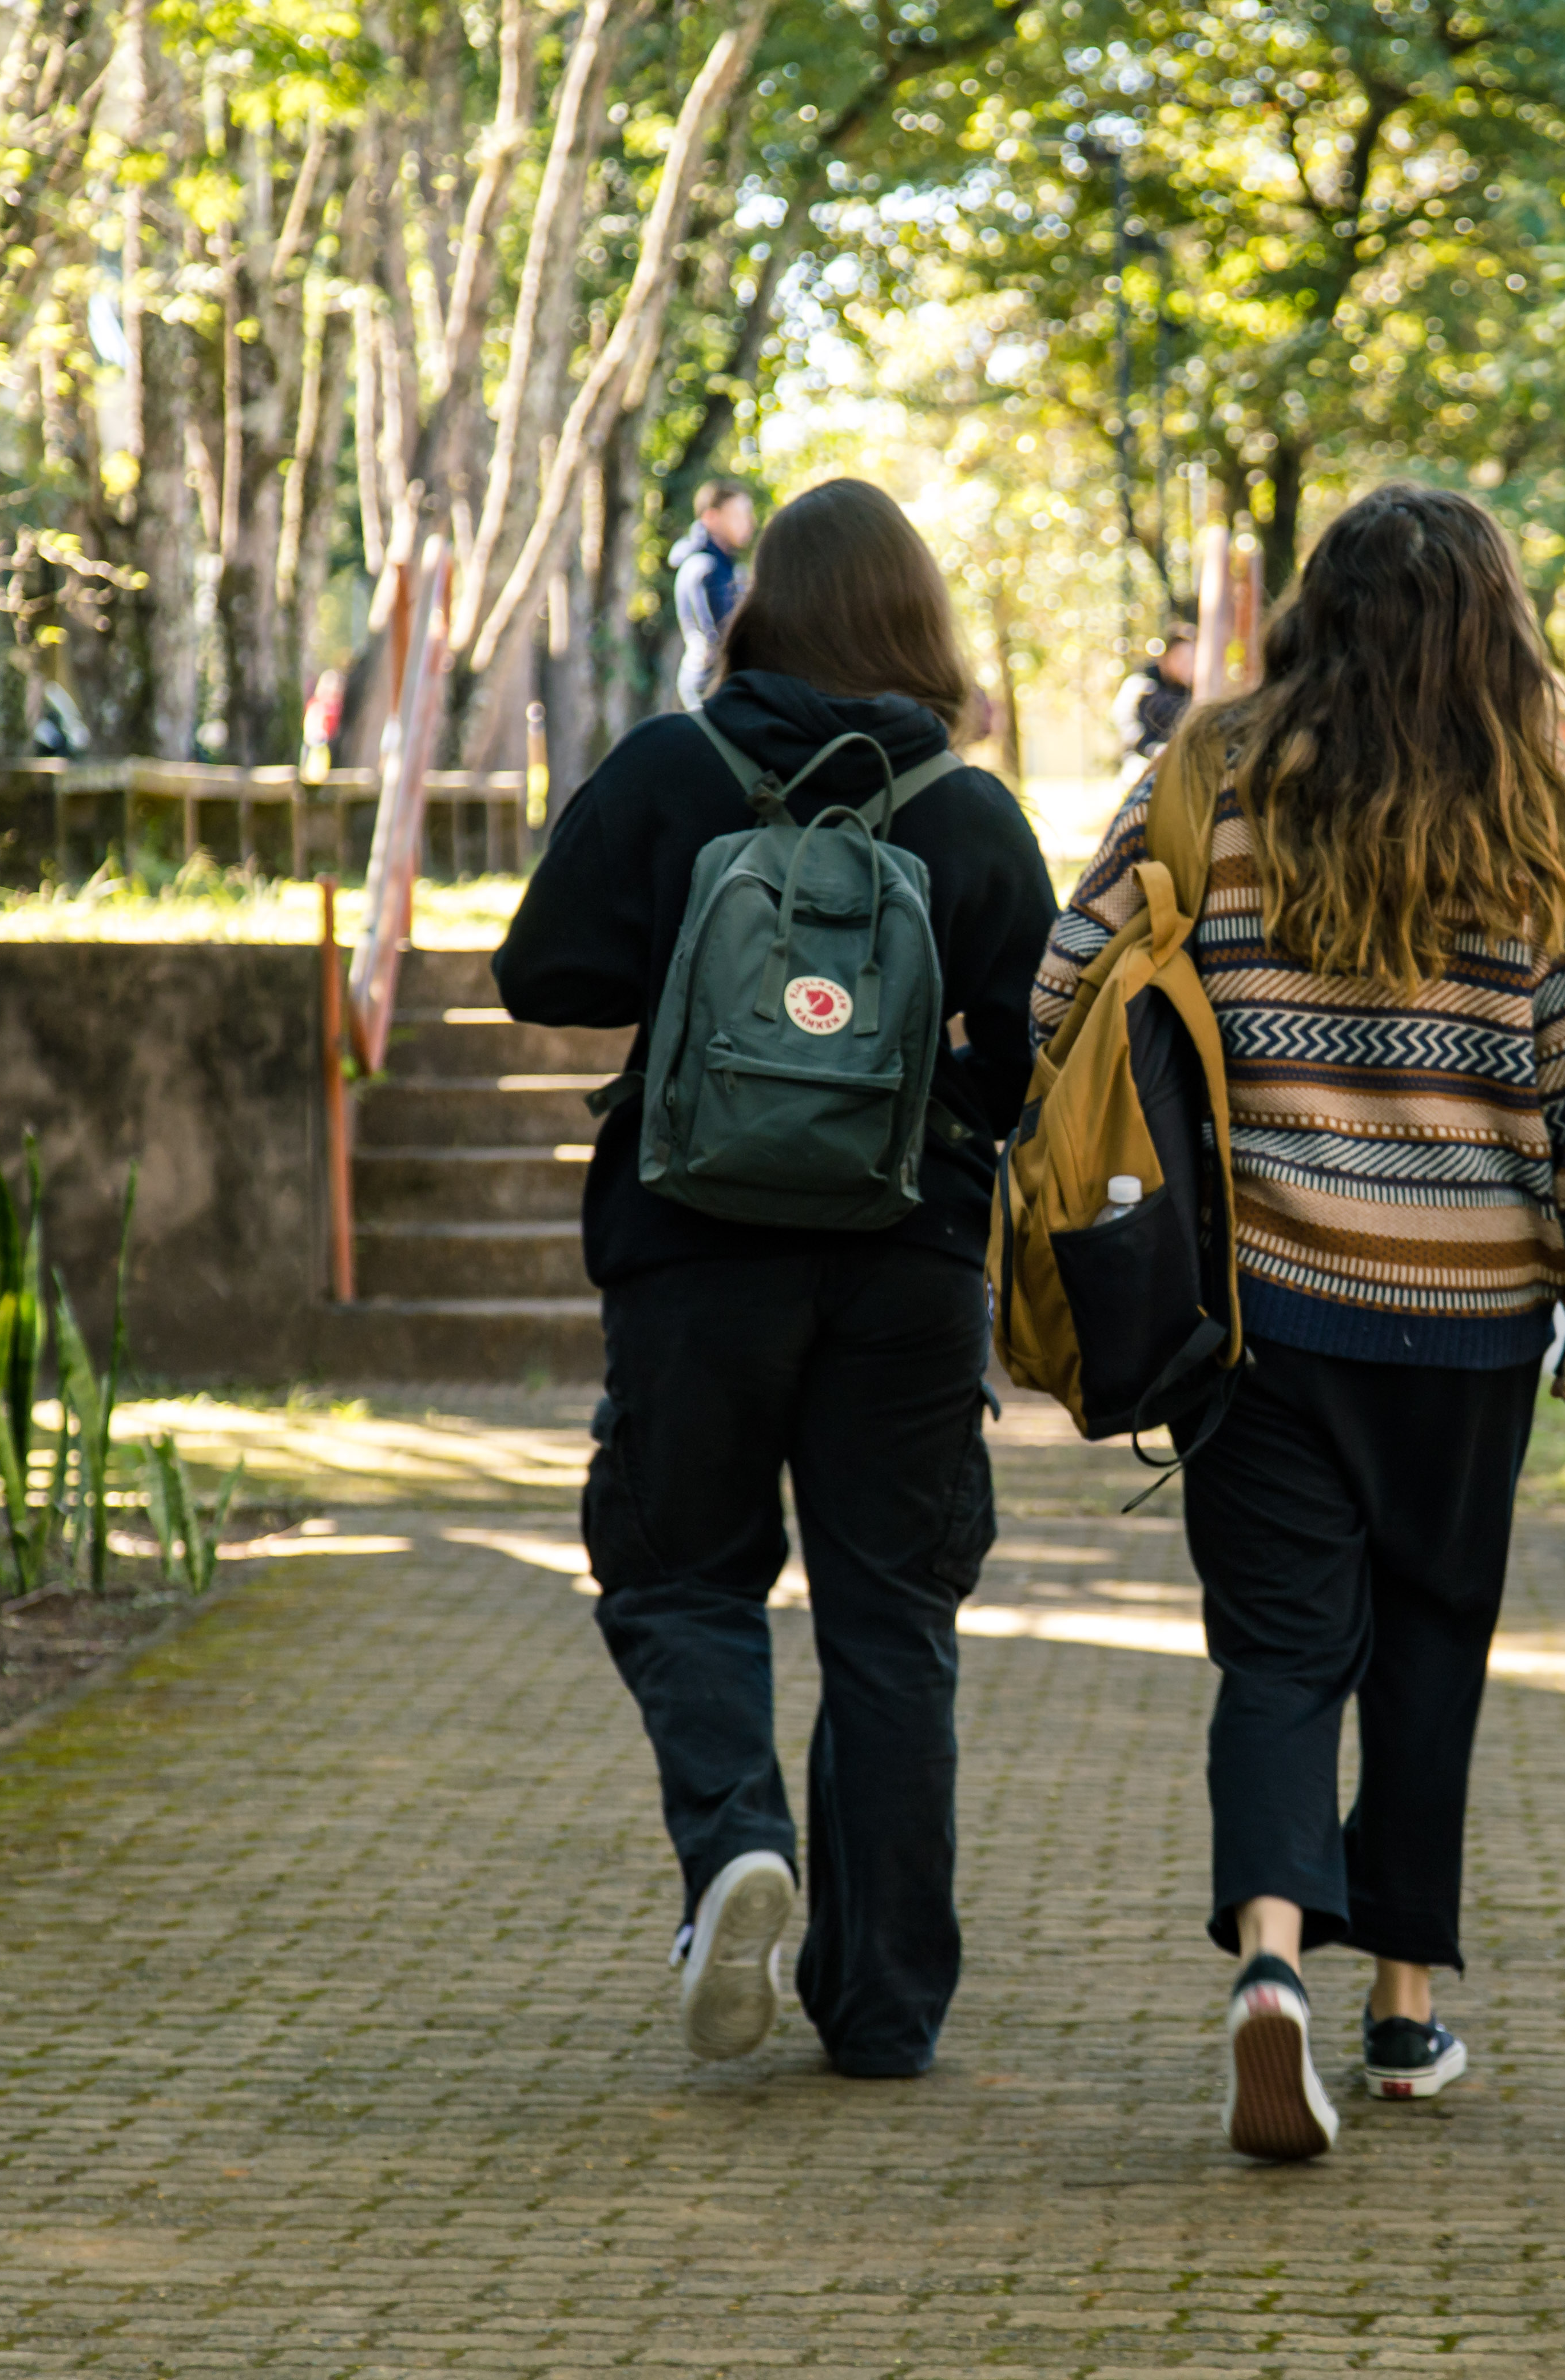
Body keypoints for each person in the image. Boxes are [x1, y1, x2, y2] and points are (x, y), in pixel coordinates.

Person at [1032, 483, 1565, 2163]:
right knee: (1431, 1650)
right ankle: (1402, 2013)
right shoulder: (1551, 809)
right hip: (1465, 1323)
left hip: (1259, 1311)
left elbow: (1060, 977)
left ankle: (1267, 1969)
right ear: (1495, 631)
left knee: (1280, 1656)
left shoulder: (1214, 776)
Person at [496, 479, 1056, 2078]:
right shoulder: (968, 812)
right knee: (892, 1621)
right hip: (907, 1263)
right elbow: (1032, 1052)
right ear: (919, 623)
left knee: (681, 1575)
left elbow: (539, 969)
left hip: (693, 1250)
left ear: (760, 611)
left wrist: (692, 964)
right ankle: (882, 2008)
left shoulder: (677, 770)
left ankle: (738, 1837)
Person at [670, 479, 758, 709]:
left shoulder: (720, 566)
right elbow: (722, 635)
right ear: (711, 518)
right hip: (711, 686)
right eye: (739, 515)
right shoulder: (706, 569)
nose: (749, 523)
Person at [1109, 625, 1195, 766]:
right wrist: (1149, 748)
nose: (1186, 665)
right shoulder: (1141, 685)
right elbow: (1125, 720)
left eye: (1191, 659)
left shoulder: (1194, 695)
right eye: (1181, 658)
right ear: (1166, 658)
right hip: (1141, 760)